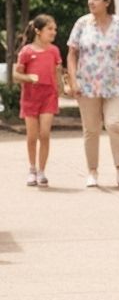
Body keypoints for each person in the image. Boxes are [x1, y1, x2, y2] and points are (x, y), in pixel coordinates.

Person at [66, 0, 119, 188]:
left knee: (115, 124)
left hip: (114, 85)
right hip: (87, 86)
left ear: (107, 2)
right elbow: (72, 54)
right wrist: (73, 81)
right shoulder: (82, 24)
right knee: (91, 130)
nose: (91, 2)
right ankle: (92, 171)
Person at [13, 14, 63, 187]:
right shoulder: (26, 51)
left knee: (45, 134)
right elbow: (16, 75)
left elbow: (58, 72)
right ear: (38, 31)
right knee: (32, 136)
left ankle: (42, 171)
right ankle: (32, 169)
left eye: (55, 29)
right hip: (30, 98)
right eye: (50, 29)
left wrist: (62, 87)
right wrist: (28, 78)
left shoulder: (54, 50)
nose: (54, 32)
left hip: (49, 97)